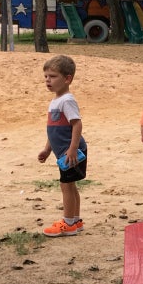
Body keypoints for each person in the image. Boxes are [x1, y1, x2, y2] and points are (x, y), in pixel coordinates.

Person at [37, 55, 88, 237]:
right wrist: (47, 149)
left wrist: (72, 149)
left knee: (66, 185)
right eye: (46, 76)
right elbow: (55, 130)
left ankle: (68, 223)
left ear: (67, 79)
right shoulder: (56, 101)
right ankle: (75, 221)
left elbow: (77, 124)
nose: (48, 80)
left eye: (52, 76)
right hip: (64, 152)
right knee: (70, 186)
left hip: (71, 152)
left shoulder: (67, 100)